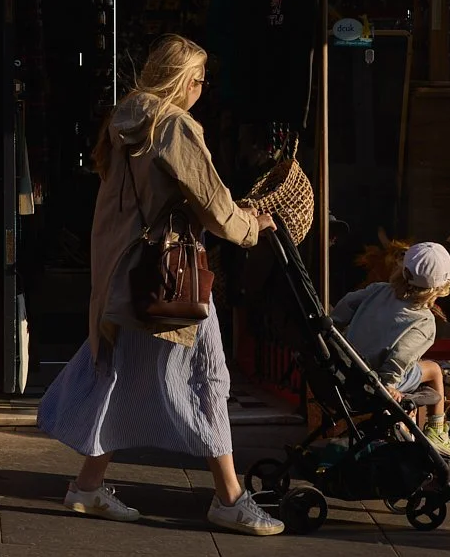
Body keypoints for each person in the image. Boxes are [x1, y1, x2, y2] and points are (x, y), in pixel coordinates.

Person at [35, 34, 285, 537]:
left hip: (124, 273)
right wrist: (251, 227)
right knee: (210, 375)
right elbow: (214, 205)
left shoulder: (124, 120)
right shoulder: (173, 126)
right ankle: (230, 499)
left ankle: (87, 487)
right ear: (183, 80)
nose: (202, 89)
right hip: (172, 279)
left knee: (118, 370)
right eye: (199, 80)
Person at [329, 241, 450, 461]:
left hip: (348, 369)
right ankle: (437, 431)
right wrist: (390, 385)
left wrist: (334, 326)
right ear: (440, 288)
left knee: (421, 368)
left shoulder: (379, 290)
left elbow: (346, 306)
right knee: (435, 370)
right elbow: (401, 357)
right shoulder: (424, 321)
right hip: (375, 383)